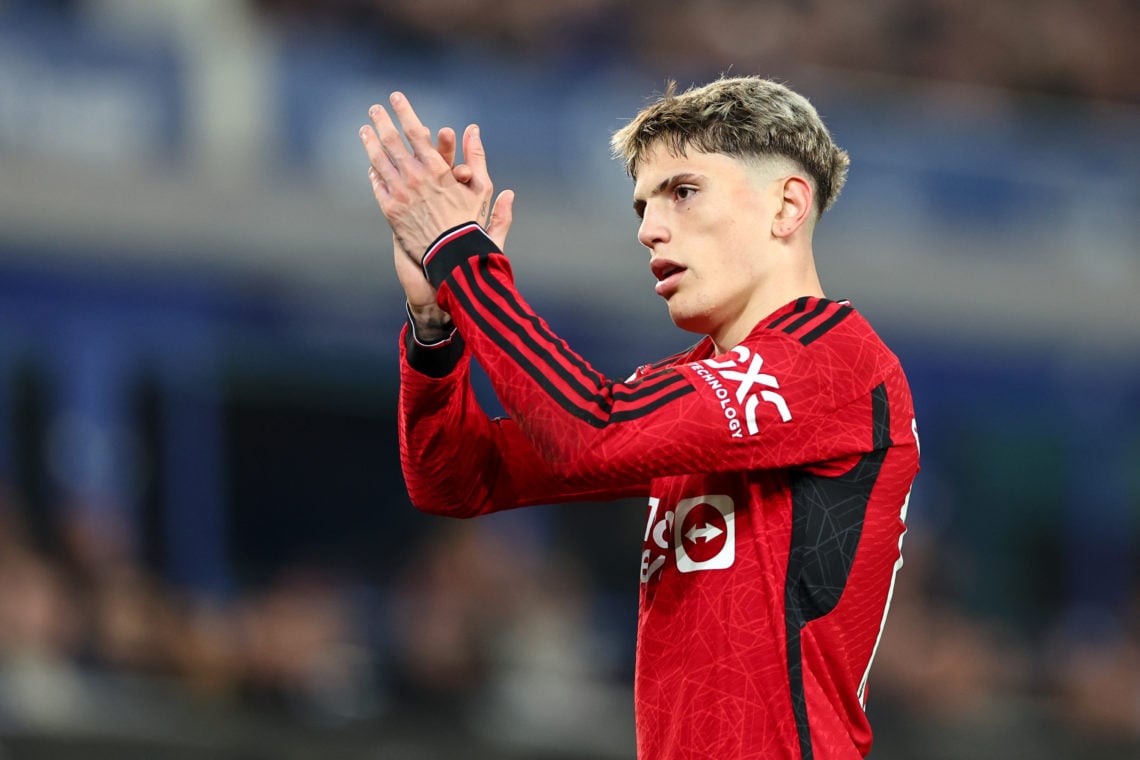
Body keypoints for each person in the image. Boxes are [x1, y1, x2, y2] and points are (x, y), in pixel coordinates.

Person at [359, 75, 920, 759]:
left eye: (683, 192)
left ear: (787, 205)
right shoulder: (697, 387)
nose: (650, 229)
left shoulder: (835, 365)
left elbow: (591, 432)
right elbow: (457, 480)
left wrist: (463, 257)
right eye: (642, 206)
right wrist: (436, 326)